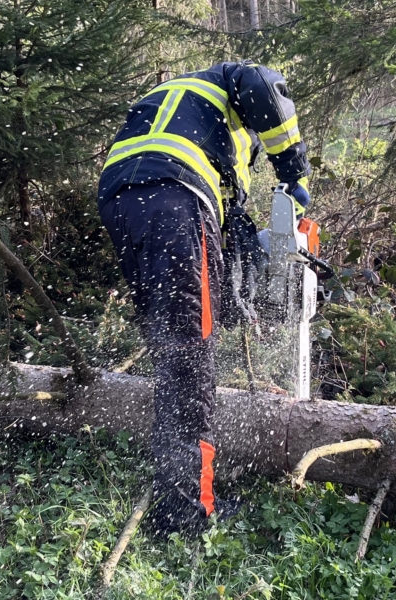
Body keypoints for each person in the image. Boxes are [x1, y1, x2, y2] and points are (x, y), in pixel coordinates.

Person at [97, 62, 312, 536]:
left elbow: (223, 256)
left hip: (122, 201)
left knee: (173, 346)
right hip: (174, 196)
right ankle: (186, 509)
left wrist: (252, 272)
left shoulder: (184, 114)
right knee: (190, 358)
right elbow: (265, 84)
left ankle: (180, 483)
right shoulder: (228, 83)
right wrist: (293, 169)